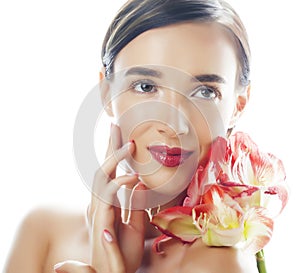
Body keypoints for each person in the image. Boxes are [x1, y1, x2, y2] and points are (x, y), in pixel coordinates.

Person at [4, 0, 258, 272]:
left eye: (205, 92)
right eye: (146, 86)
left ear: (237, 107)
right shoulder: (42, 232)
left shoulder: (220, 264)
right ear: (106, 94)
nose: (173, 125)